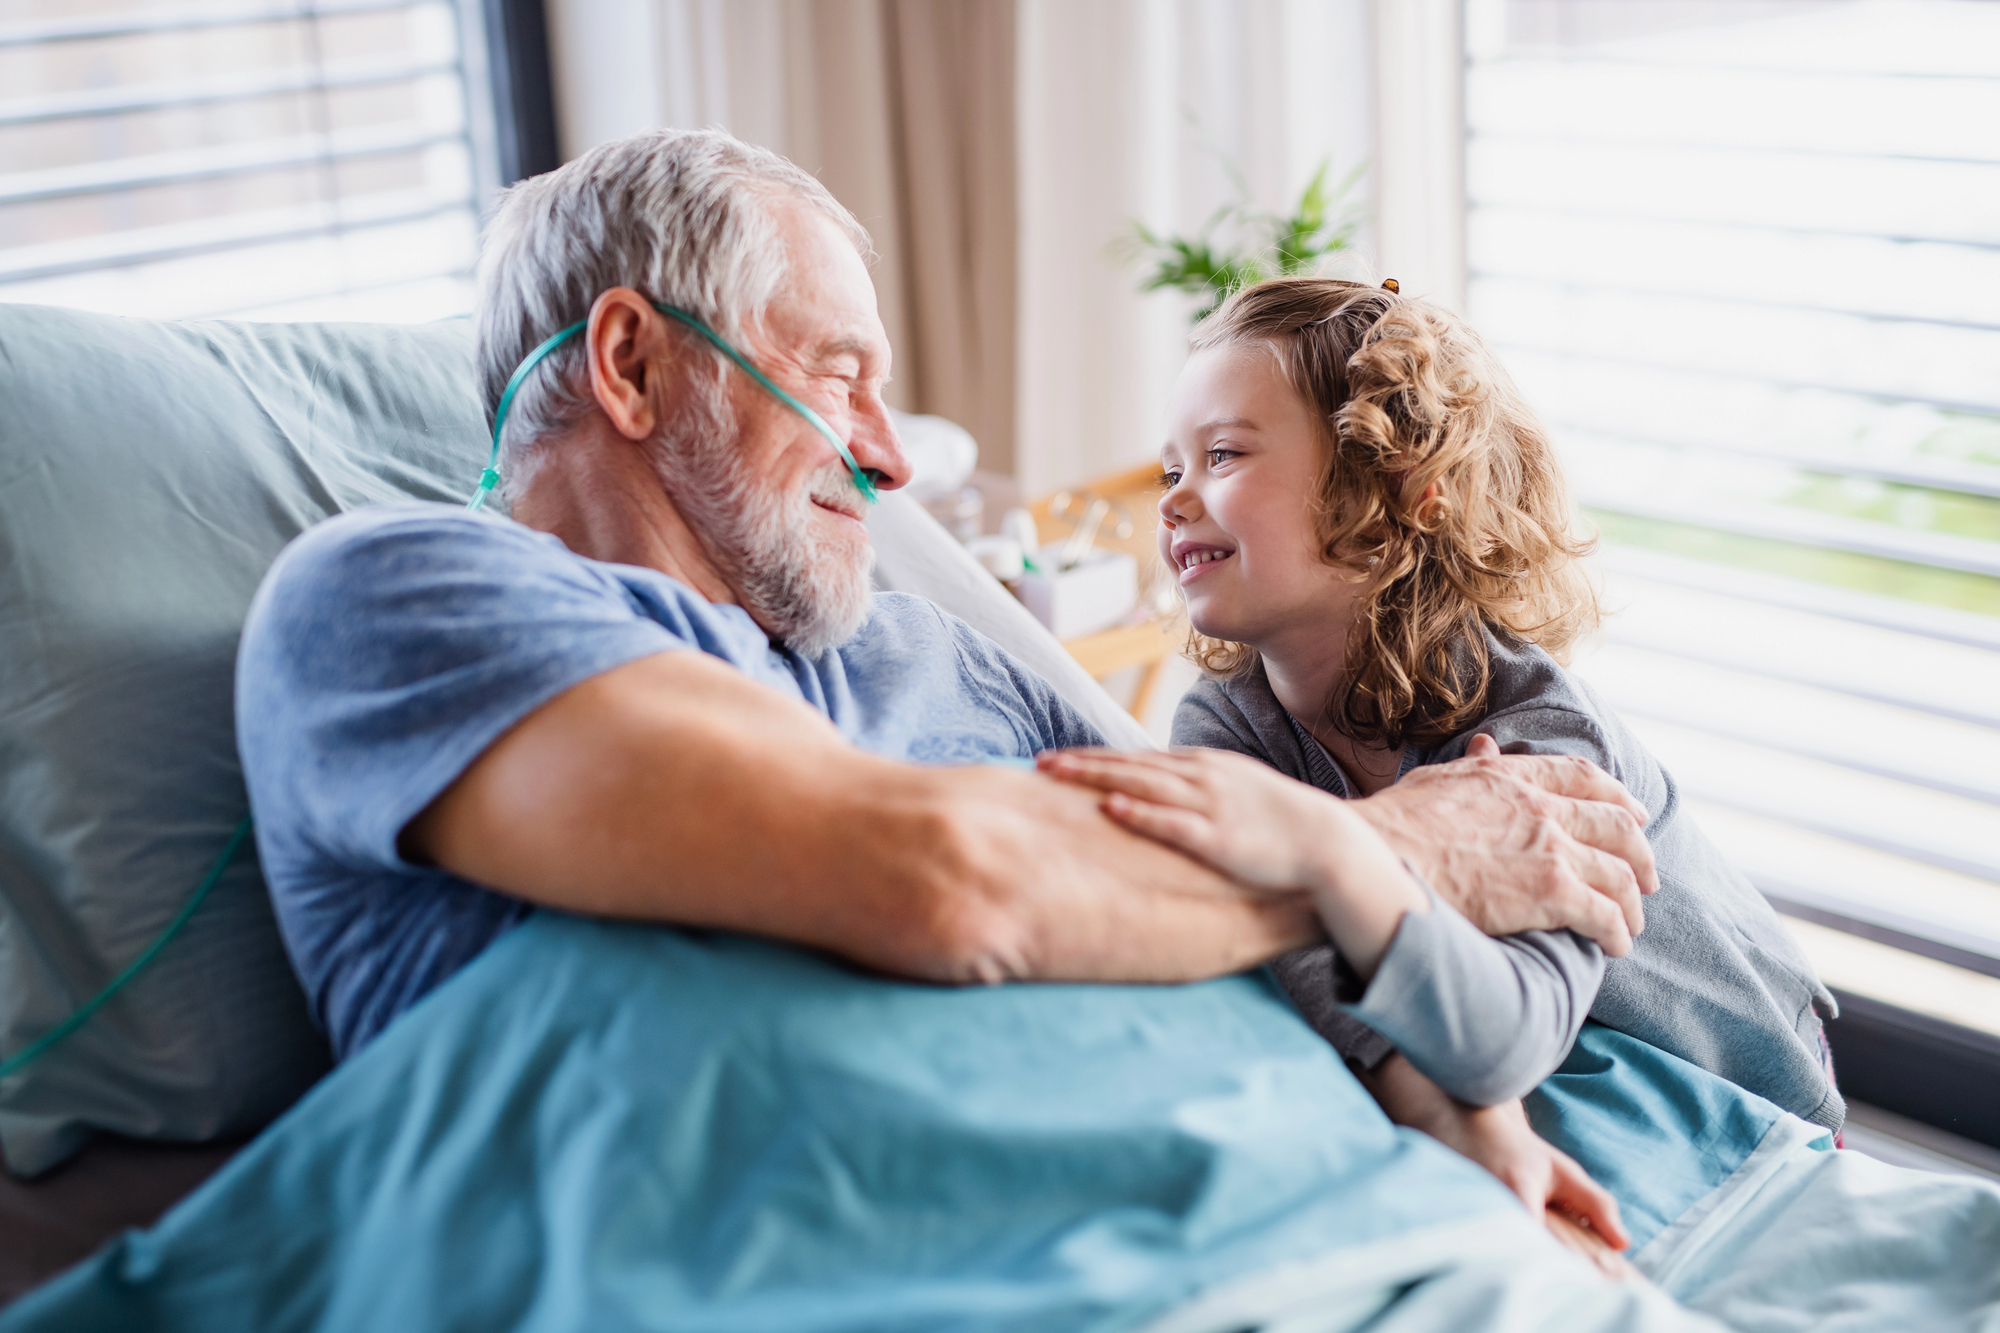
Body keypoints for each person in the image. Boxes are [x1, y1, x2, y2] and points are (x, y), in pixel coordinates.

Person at [233, 129, 1659, 1244]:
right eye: (841, 376)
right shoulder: (396, 599)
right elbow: (940, 883)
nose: (893, 456)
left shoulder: (936, 650)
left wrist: (1448, 1120)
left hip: (1282, 1206)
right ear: (630, 363)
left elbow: (1206, 881)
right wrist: (1406, 846)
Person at [1041, 276, 1843, 1156]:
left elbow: (1496, 1042)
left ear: (1396, 491)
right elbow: (1332, 994)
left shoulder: (1539, 734)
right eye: (1172, 468)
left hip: (1745, 1075)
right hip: (1591, 1069)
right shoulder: (1225, 728)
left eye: (1224, 456)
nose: (1172, 498)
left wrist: (1322, 846)